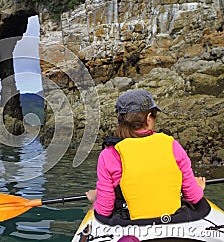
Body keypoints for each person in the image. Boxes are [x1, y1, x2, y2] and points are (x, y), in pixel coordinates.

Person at [86, 89, 207, 223]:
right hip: (173, 220)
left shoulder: (108, 155)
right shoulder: (172, 145)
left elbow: (105, 209)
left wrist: (96, 199)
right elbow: (193, 197)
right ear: (148, 118)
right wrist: (198, 188)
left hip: (130, 222)